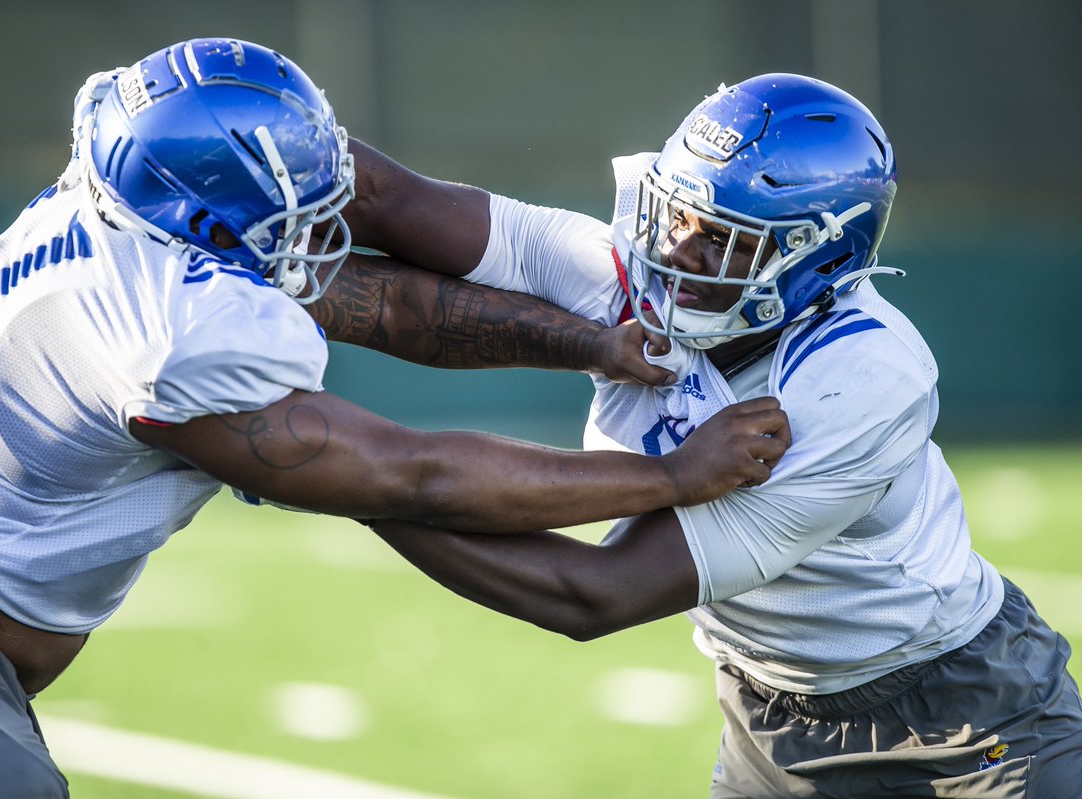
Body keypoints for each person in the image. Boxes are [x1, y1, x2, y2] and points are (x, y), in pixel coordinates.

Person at [0, 40, 791, 797]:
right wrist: (673, 476)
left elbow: (383, 306)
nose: (325, 232)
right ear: (207, 216)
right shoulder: (168, 333)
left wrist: (591, 344)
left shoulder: (131, 212)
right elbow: (411, 474)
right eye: (301, 213)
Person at [341, 74, 1082, 797]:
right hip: (767, 717)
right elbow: (392, 200)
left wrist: (335, 472)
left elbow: (593, 593)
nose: (679, 252)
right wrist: (252, 152)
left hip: (965, 717)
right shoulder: (631, 274)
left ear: (816, 257)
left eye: (725, 238)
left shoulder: (860, 376)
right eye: (678, 213)